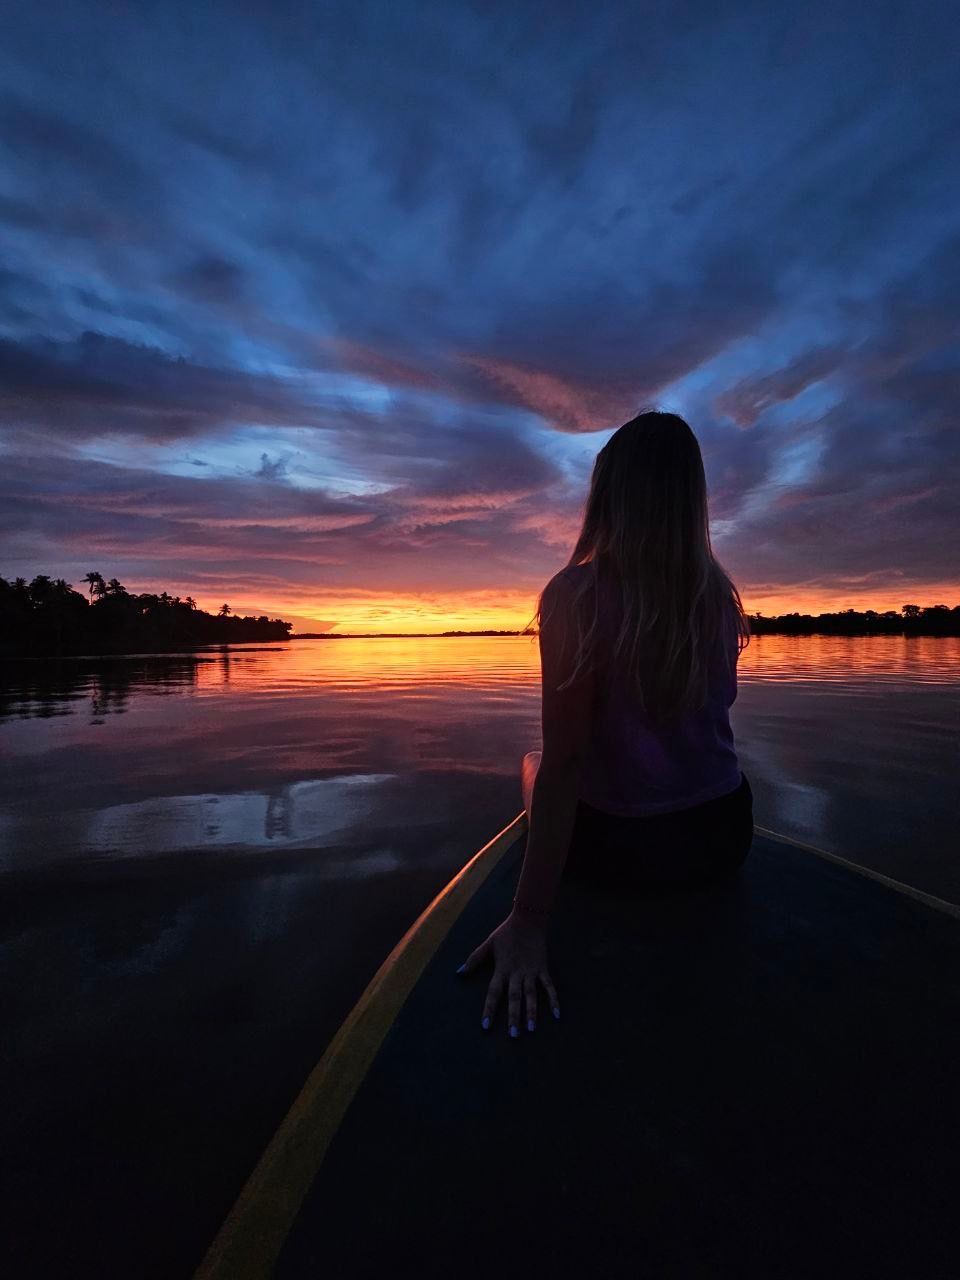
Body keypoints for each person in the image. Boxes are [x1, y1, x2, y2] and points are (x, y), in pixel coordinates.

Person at [457, 410, 754, 1037]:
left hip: (621, 855)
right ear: (690, 499)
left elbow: (565, 765)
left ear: (610, 496)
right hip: (725, 835)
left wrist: (530, 919)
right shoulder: (720, 600)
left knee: (536, 764)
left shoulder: (575, 596)